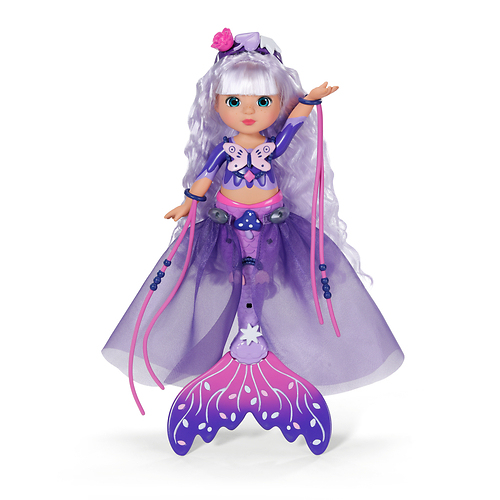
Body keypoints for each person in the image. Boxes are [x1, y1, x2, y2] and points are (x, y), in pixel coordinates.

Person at [102, 29, 404, 455]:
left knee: (275, 289)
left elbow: (292, 128)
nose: (248, 111)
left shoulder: (270, 147)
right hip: (225, 227)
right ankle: (239, 359)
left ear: (277, 104)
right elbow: (204, 178)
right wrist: (188, 204)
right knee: (221, 287)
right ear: (216, 104)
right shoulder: (224, 149)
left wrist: (309, 100)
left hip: (273, 228)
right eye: (234, 101)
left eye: (263, 102)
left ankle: (262, 357)